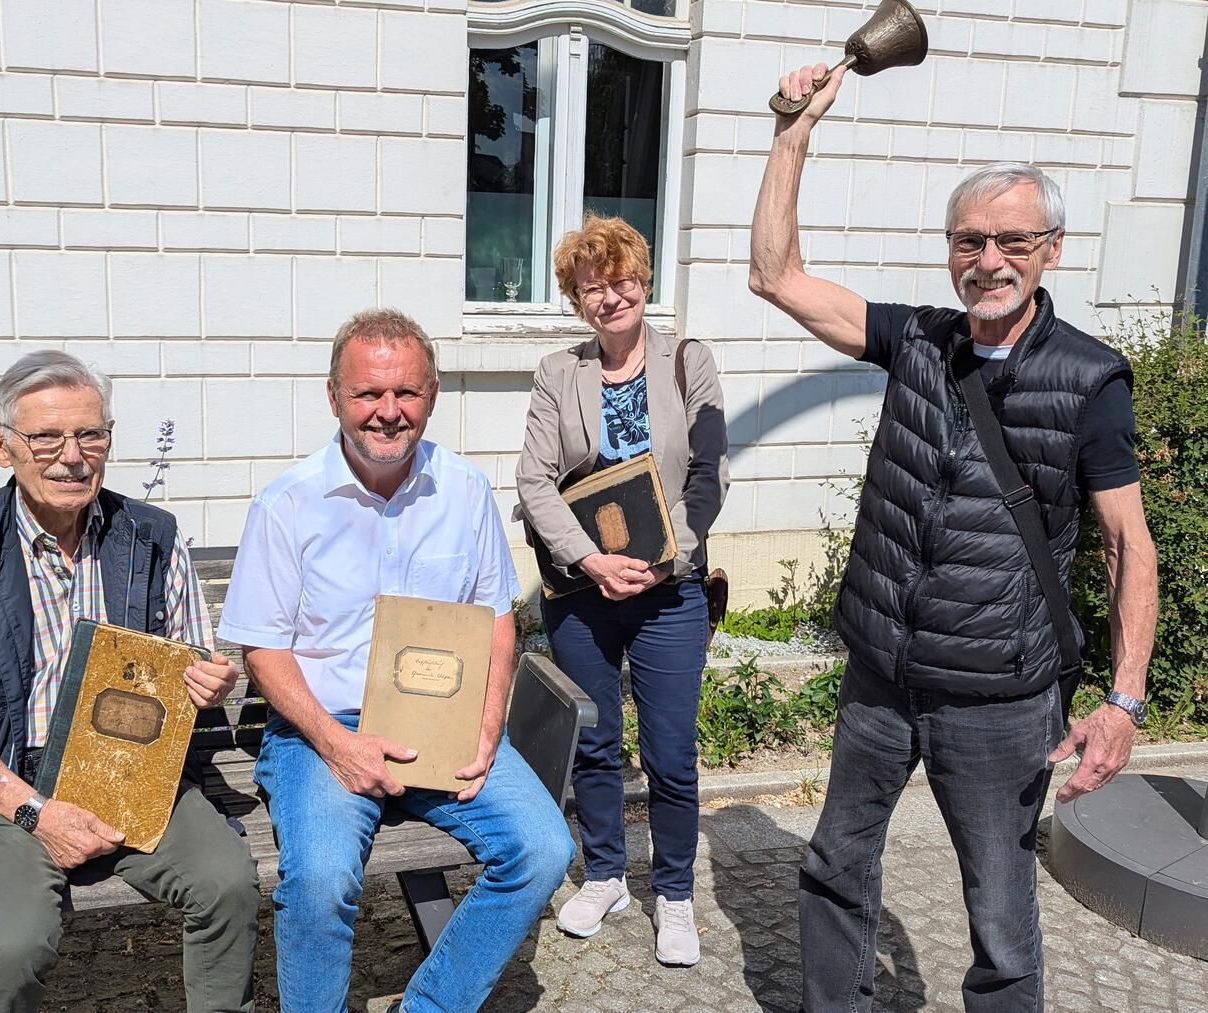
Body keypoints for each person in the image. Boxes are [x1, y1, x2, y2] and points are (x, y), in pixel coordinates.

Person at [748, 65, 1159, 1011]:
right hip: (883, 678)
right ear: (949, 252)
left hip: (1001, 700)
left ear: (1050, 249)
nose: (989, 258)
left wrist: (1124, 700)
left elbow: (1130, 546)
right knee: (834, 867)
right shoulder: (919, 340)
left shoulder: (1091, 382)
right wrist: (792, 133)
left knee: (1002, 921)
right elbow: (776, 276)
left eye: (1012, 239)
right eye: (969, 240)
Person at [0, 351, 260, 1013]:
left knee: (227, 884)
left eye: (91, 434)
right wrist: (34, 809)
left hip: (128, 766)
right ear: (3, 447)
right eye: (46, 437)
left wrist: (209, 681)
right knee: (17, 936)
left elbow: (188, 659)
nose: (73, 455)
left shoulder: (151, 536)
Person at [218, 308, 574, 1013]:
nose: (389, 411)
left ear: (433, 393)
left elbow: (497, 620)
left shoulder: (464, 491)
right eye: (368, 393)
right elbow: (262, 647)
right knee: (318, 880)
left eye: (406, 392)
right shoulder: (287, 505)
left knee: (543, 850)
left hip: (445, 724)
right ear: (333, 397)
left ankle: (432, 1005)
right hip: (324, 728)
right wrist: (336, 743)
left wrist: (486, 722)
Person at [514, 216, 728, 967]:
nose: (610, 296)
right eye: (592, 286)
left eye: (621, 279)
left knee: (670, 752)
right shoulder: (558, 373)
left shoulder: (687, 361)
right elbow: (533, 480)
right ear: (577, 299)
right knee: (596, 743)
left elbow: (710, 471)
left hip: (671, 591)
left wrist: (672, 558)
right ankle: (605, 874)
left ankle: (674, 890)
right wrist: (588, 559)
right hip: (583, 589)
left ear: (644, 278)